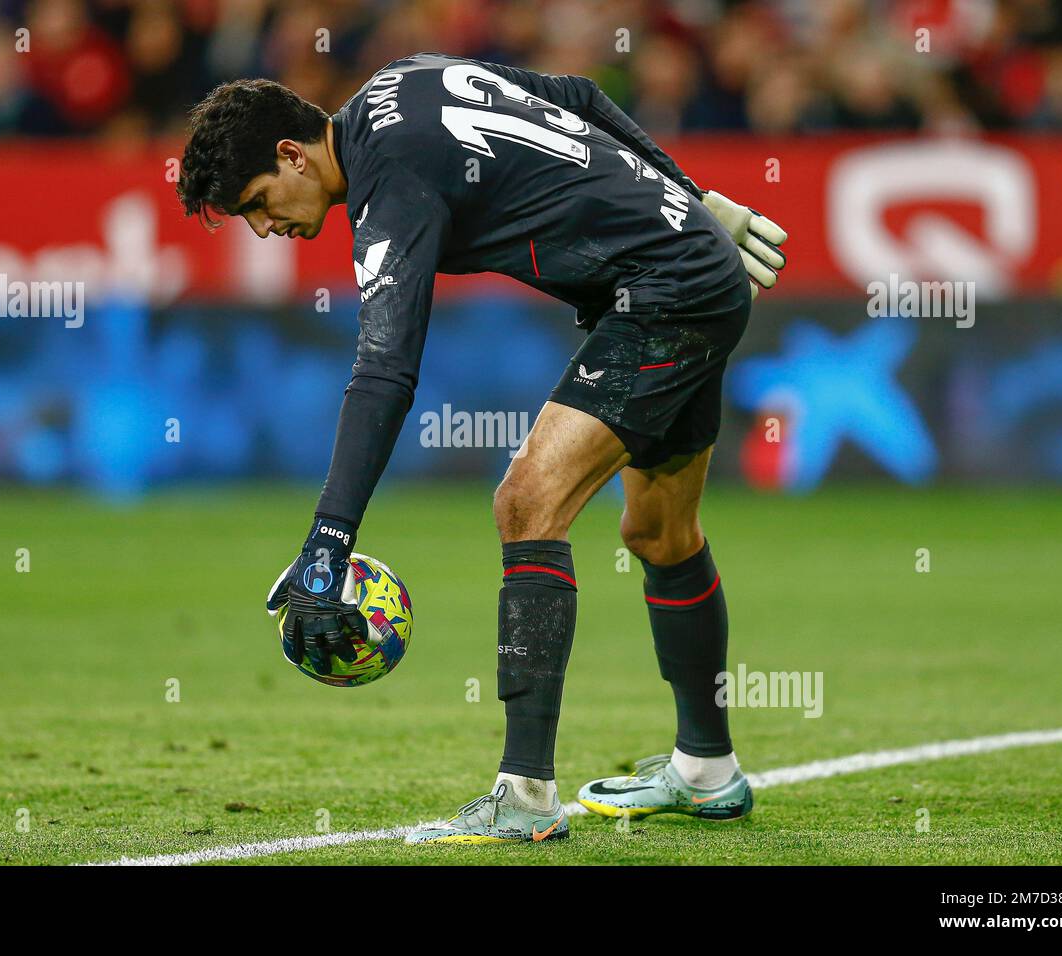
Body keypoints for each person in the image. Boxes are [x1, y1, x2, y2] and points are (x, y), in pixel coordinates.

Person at [176, 52, 787, 844]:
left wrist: (328, 543)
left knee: (527, 503)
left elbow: (385, 371)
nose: (267, 228)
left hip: (665, 295)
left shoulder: (386, 186)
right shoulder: (403, 78)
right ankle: (708, 772)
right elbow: (576, 95)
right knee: (659, 533)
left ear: (292, 155)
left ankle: (525, 794)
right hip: (688, 274)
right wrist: (693, 198)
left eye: (258, 202)